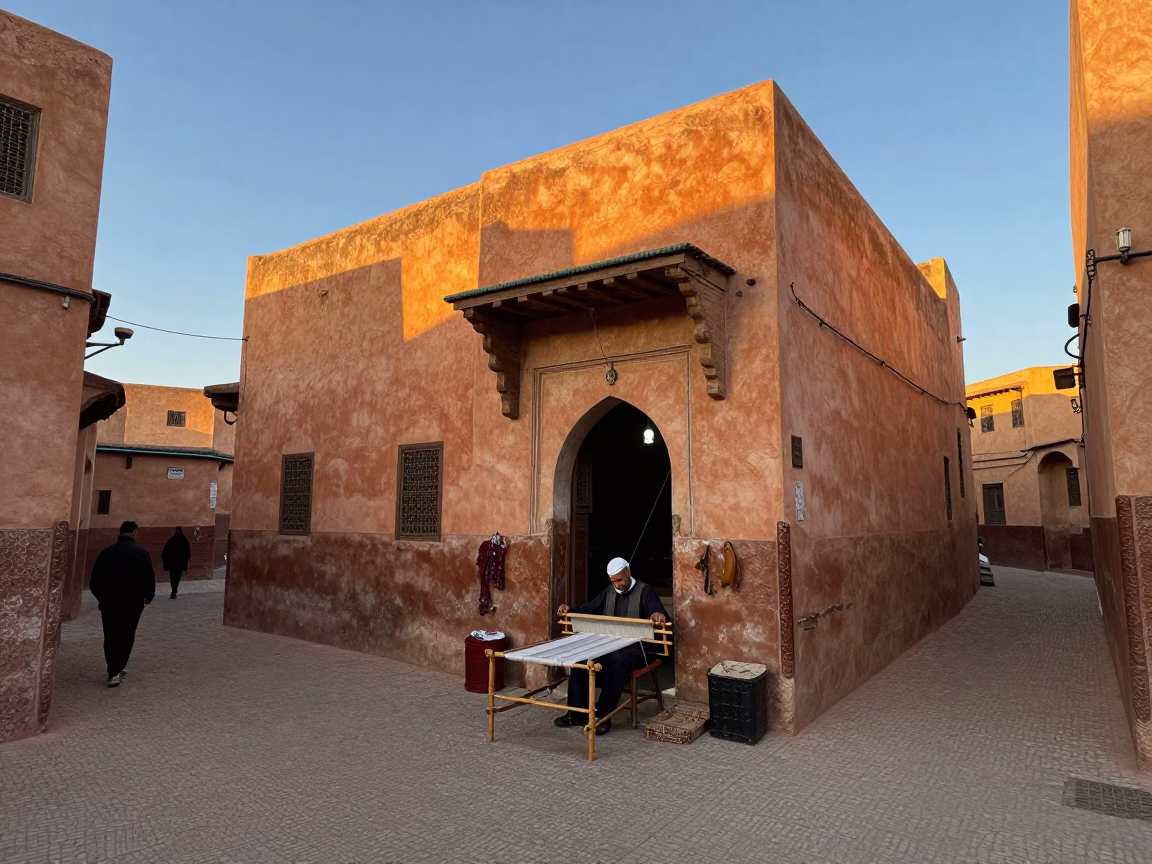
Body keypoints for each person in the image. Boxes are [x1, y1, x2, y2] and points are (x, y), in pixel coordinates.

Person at [554, 557, 667, 736]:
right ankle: (576, 714)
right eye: (613, 581)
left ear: (628, 572)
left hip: (639, 649)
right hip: (610, 645)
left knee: (618, 660)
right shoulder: (609, 592)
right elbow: (589, 608)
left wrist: (657, 615)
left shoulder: (646, 592)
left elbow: (658, 612)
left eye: (620, 580)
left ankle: (603, 715)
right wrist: (570, 610)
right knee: (582, 659)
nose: (617, 584)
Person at [89, 521, 155, 687]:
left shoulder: (106, 553)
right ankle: (116, 669)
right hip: (132, 603)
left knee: (110, 634)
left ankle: (114, 667)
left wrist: (102, 598)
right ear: (135, 533)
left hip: (109, 602)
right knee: (126, 634)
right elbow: (148, 577)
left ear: (120, 532)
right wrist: (148, 597)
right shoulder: (141, 553)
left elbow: (94, 581)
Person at [161, 526, 192, 599]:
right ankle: (174, 589)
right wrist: (187, 561)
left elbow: (164, 553)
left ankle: (173, 589)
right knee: (177, 577)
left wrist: (165, 561)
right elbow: (188, 553)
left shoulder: (171, 540)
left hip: (171, 563)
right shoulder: (184, 540)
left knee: (172, 577)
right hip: (180, 563)